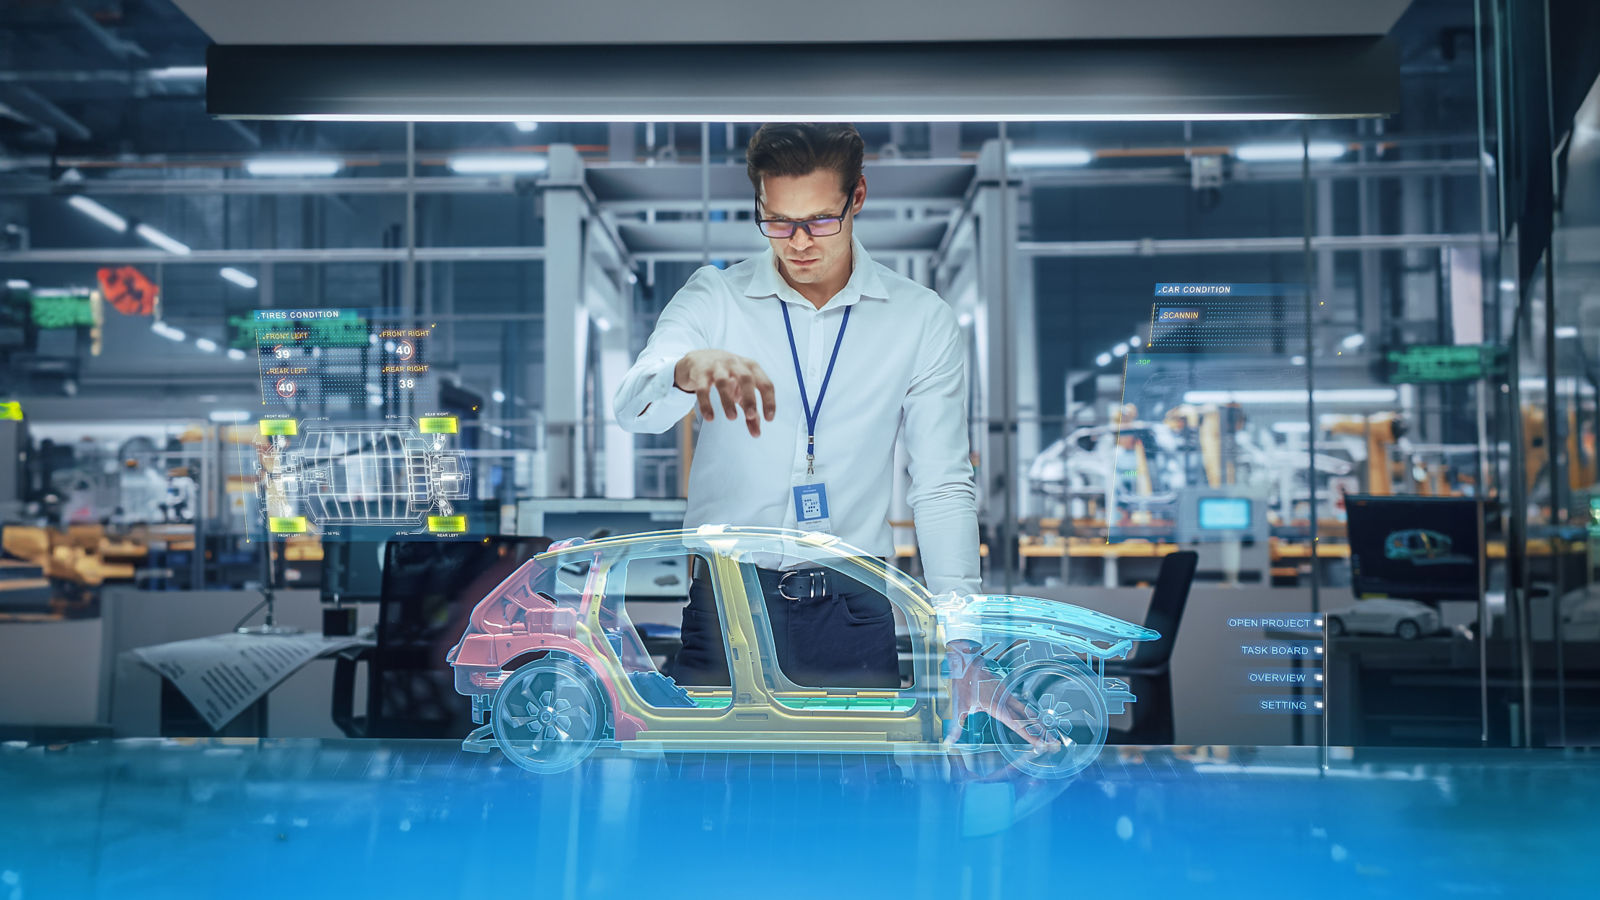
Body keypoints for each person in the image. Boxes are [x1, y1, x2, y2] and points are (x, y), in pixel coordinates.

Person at [613, 122, 979, 688]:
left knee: (859, 776)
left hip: (854, 609)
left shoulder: (919, 319)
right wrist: (685, 371)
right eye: (778, 221)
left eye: (819, 220)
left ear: (857, 196)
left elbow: (941, 484)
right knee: (698, 777)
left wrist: (963, 646)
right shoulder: (716, 298)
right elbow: (633, 410)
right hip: (726, 606)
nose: (799, 242)